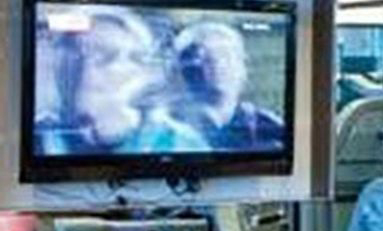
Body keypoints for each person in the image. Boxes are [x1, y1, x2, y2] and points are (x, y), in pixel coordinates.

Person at [35, 7, 208, 156]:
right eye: (77, 54)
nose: (84, 68)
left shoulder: (180, 143)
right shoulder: (40, 137)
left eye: (103, 56)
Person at [172, 22, 286, 152]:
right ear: (184, 70)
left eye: (226, 56)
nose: (219, 66)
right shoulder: (165, 125)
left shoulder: (269, 127)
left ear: (243, 67)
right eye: (205, 58)